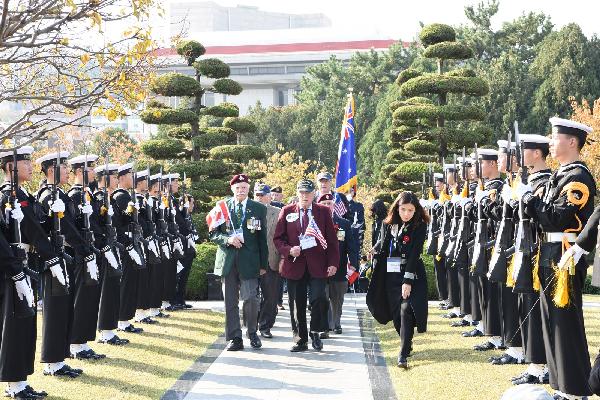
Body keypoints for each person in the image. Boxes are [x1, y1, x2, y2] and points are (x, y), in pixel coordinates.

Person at [519, 117, 595, 400]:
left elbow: (556, 217)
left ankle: (576, 391)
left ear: (572, 142)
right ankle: (561, 386)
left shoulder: (578, 177)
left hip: (566, 254)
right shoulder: (560, 175)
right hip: (549, 253)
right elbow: (541, 218)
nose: (550, 142)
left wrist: (529, 200)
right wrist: (531, 204)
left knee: (566, 323)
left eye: (555, 137)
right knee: (550, 321)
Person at [0, 145, 47, 399]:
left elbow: (37, 228)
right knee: (15, 323)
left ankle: (21, 381)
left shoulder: (22, 194)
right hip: (12, 268)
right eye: (24, 163)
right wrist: (15, 269)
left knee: (27, 322)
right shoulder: (5, 196)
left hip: (26, 264)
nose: (30, 166)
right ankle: (13, 384)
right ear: (10, 167)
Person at [273, 179, 339, 352]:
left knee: (319, 299)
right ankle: (300, 339)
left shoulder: (323, 212)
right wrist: (288, 250)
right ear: (297, 193)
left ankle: (315, 332)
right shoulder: (286, 211)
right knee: (297, 304)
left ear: (313, 194)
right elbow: (278, 239)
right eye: (301, 192)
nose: (304, 196)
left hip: (318, 264)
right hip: (295, 265)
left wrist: (333, 263)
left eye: (308, 193)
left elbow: (332, 241)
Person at [367, 191, 429, 369]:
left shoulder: (420, 225)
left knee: (406, 309)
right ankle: (406, 342)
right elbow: (384, 247)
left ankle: (402, 355)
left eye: (410, 210)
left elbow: (415, 254)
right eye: (403, 209)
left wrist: (407, 281)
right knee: (396, 315)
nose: (407, 214)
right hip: (391, 273)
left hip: (412, 273)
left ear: (416, 210)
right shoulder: (389, 224)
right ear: (397, 208)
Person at [508, 135, 551, 385]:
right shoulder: (531, 181)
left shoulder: (544, 181)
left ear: (536, 153)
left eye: (524, 151)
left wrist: (526, 198)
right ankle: (534, 363)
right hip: (524, 248)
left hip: (536, 250)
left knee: (534, 307)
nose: (519, 157)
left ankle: (541, 365)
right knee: (526, 306)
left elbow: (541, 218)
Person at [210, 174, 268, 351]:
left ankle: (252, 332)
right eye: (238, 187)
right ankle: (235, 337)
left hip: (250, 261)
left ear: (248, 189)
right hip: (228, 261)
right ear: (232, 189)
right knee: (230, 302)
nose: (241, 190)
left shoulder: (258, 208)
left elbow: (262, 238)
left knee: (251, 298)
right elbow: (213, 233)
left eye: (244, 187)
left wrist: (263, 265)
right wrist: (228, 240)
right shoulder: (221, 207)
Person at [65, 154, 107, 360]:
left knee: (90, 298)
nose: (94, 172)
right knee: (81, 298)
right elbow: (71, 228)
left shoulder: (88, 194)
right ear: (80, 172)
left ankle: (82, 342)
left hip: (91, 252)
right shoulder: (74, 195)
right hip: (81, 255)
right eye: (91, 169)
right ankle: (75, 343)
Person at [93, 162, 129, 346]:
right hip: (105, 248)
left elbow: (118, 223)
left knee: (113, 288)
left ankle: (110, 329)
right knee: (107, 289)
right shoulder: (99, 198)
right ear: (105, 179)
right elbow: (96, 225)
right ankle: (105, 332)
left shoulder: (110, 198)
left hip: (114, 246)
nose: (117, 180)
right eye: (114, 177)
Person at [318, 193, 358, 337]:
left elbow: (351, 246)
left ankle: (336, 322)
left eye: (330, 203)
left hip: (339, 267)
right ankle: (326, 326)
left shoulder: (343, 224)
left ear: (334, 206)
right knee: (323, 297)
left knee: (337, 298)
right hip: (320, 268)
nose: (327, 206)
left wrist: (354, 263)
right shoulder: (314, 223)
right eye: (324, 204)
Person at [111, 163, 145, 334]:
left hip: (132, 241)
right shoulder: (121, 196)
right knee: (126, 282)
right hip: (125, 244)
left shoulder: (127, 196)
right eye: (131, 176)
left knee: (131, 282)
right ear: (122, 178)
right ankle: (122, 320)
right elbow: (120, 223)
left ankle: (126, 319)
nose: (134, 179)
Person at [253, 183, 281, 339]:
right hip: (252, 260)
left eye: (262, 195)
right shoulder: (249, 211)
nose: (259, 198)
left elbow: (283, 237)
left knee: (270, 296)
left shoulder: (278, 213)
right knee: (251, 295)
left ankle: (265, 325)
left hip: (271, 259)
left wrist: (283, 258)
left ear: (269, 197)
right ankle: (253, 323)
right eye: (257, 195)